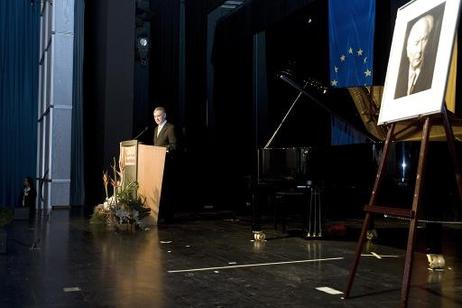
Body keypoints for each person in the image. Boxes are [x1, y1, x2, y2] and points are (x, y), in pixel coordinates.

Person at [395, 14, 436, 99]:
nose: (420, 50)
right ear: (407, 46)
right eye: (416, 42)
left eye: (424, 40)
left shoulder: (433, 75)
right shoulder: (397, 74)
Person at [153, 106, 177, 223]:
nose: (156, 118)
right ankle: (160, 214)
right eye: (155, 116)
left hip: (167, 164)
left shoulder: (170, 128)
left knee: (167, 190)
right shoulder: (155, 129)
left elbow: (173, 146)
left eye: (159, 115)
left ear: (164, 115)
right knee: (160, 190)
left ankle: (168, 216)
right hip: (157, 164)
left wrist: (160, 150)